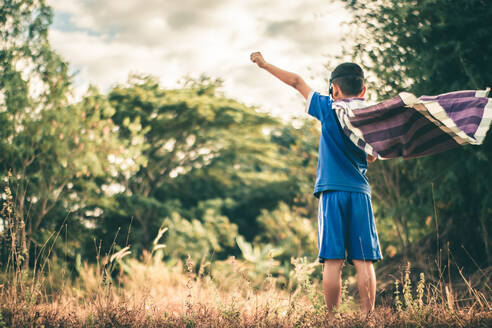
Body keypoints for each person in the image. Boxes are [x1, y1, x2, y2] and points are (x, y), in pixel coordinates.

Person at [250, 52, 382, 319]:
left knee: (333, 261)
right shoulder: (368, 117)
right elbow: (371, 155)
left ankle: (331, 319)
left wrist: (264, 65)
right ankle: (369, 318)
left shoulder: (326, 107)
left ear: (334, 88)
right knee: (364, 261)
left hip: (331, 194)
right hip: (359, 193)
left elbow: (297, 81)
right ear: (364, 90)